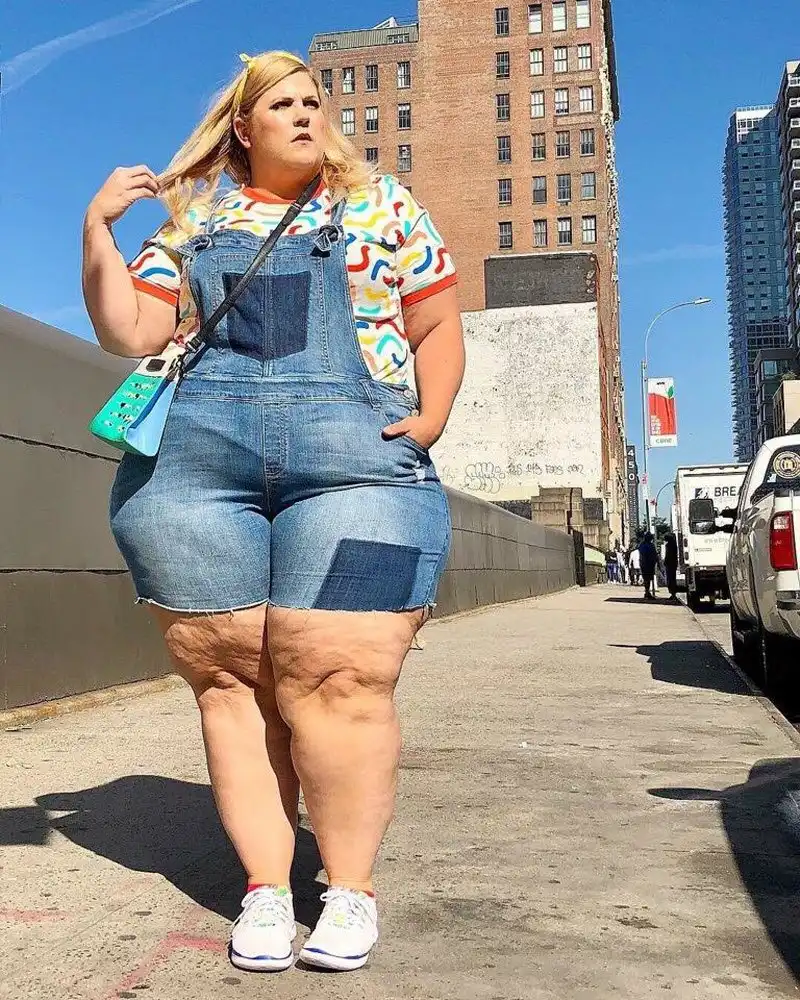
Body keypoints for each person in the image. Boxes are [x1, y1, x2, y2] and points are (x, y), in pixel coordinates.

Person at [82, 51, 464, 974]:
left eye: (312, 100)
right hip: (194, 473)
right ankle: (265, 888)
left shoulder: (384, 206)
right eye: (281, 104)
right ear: (242, 128)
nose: (303, 114)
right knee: (234, 683)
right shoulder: (195, 220)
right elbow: (131, 330)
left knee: (340, 674)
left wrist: (433, 416)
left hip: (358, 470)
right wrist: (97, 229)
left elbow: (436, 321)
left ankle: (348, 889)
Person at [638, 533, 660, 601]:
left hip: (645, 564)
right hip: (648, 564)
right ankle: (647, 592)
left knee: (647, 579)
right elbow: (654, 555)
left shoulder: (642, 545)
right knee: (648, 578)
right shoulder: (649, 545)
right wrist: (657, 561)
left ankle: (647, 592)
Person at [663, 531, 679, 601]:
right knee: (672, 579)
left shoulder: (668, 546)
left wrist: (665, 561)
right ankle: (673, 594)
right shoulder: (674, 545)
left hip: (669, 564)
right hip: (673, 564)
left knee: (670, 579)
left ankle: (673, 594)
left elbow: (668, 555)